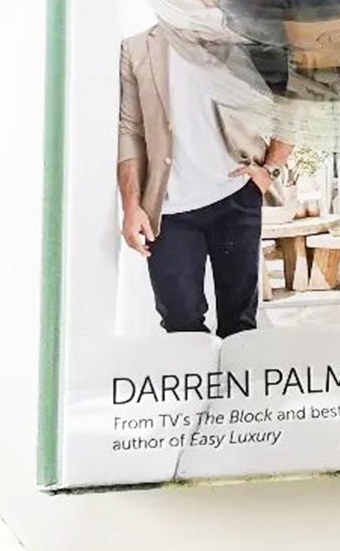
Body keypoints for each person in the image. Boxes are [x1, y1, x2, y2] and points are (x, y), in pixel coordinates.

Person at [117, 25, 293, 337]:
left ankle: (238, 386)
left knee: (240, 325)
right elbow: (130, 130)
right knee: (181, 325)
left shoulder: (238, 36)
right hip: (169, 211)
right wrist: (131, 207)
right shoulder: (137, 48)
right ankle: (195, 386)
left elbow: (295, 100)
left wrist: (270, 169)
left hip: (236, 196)